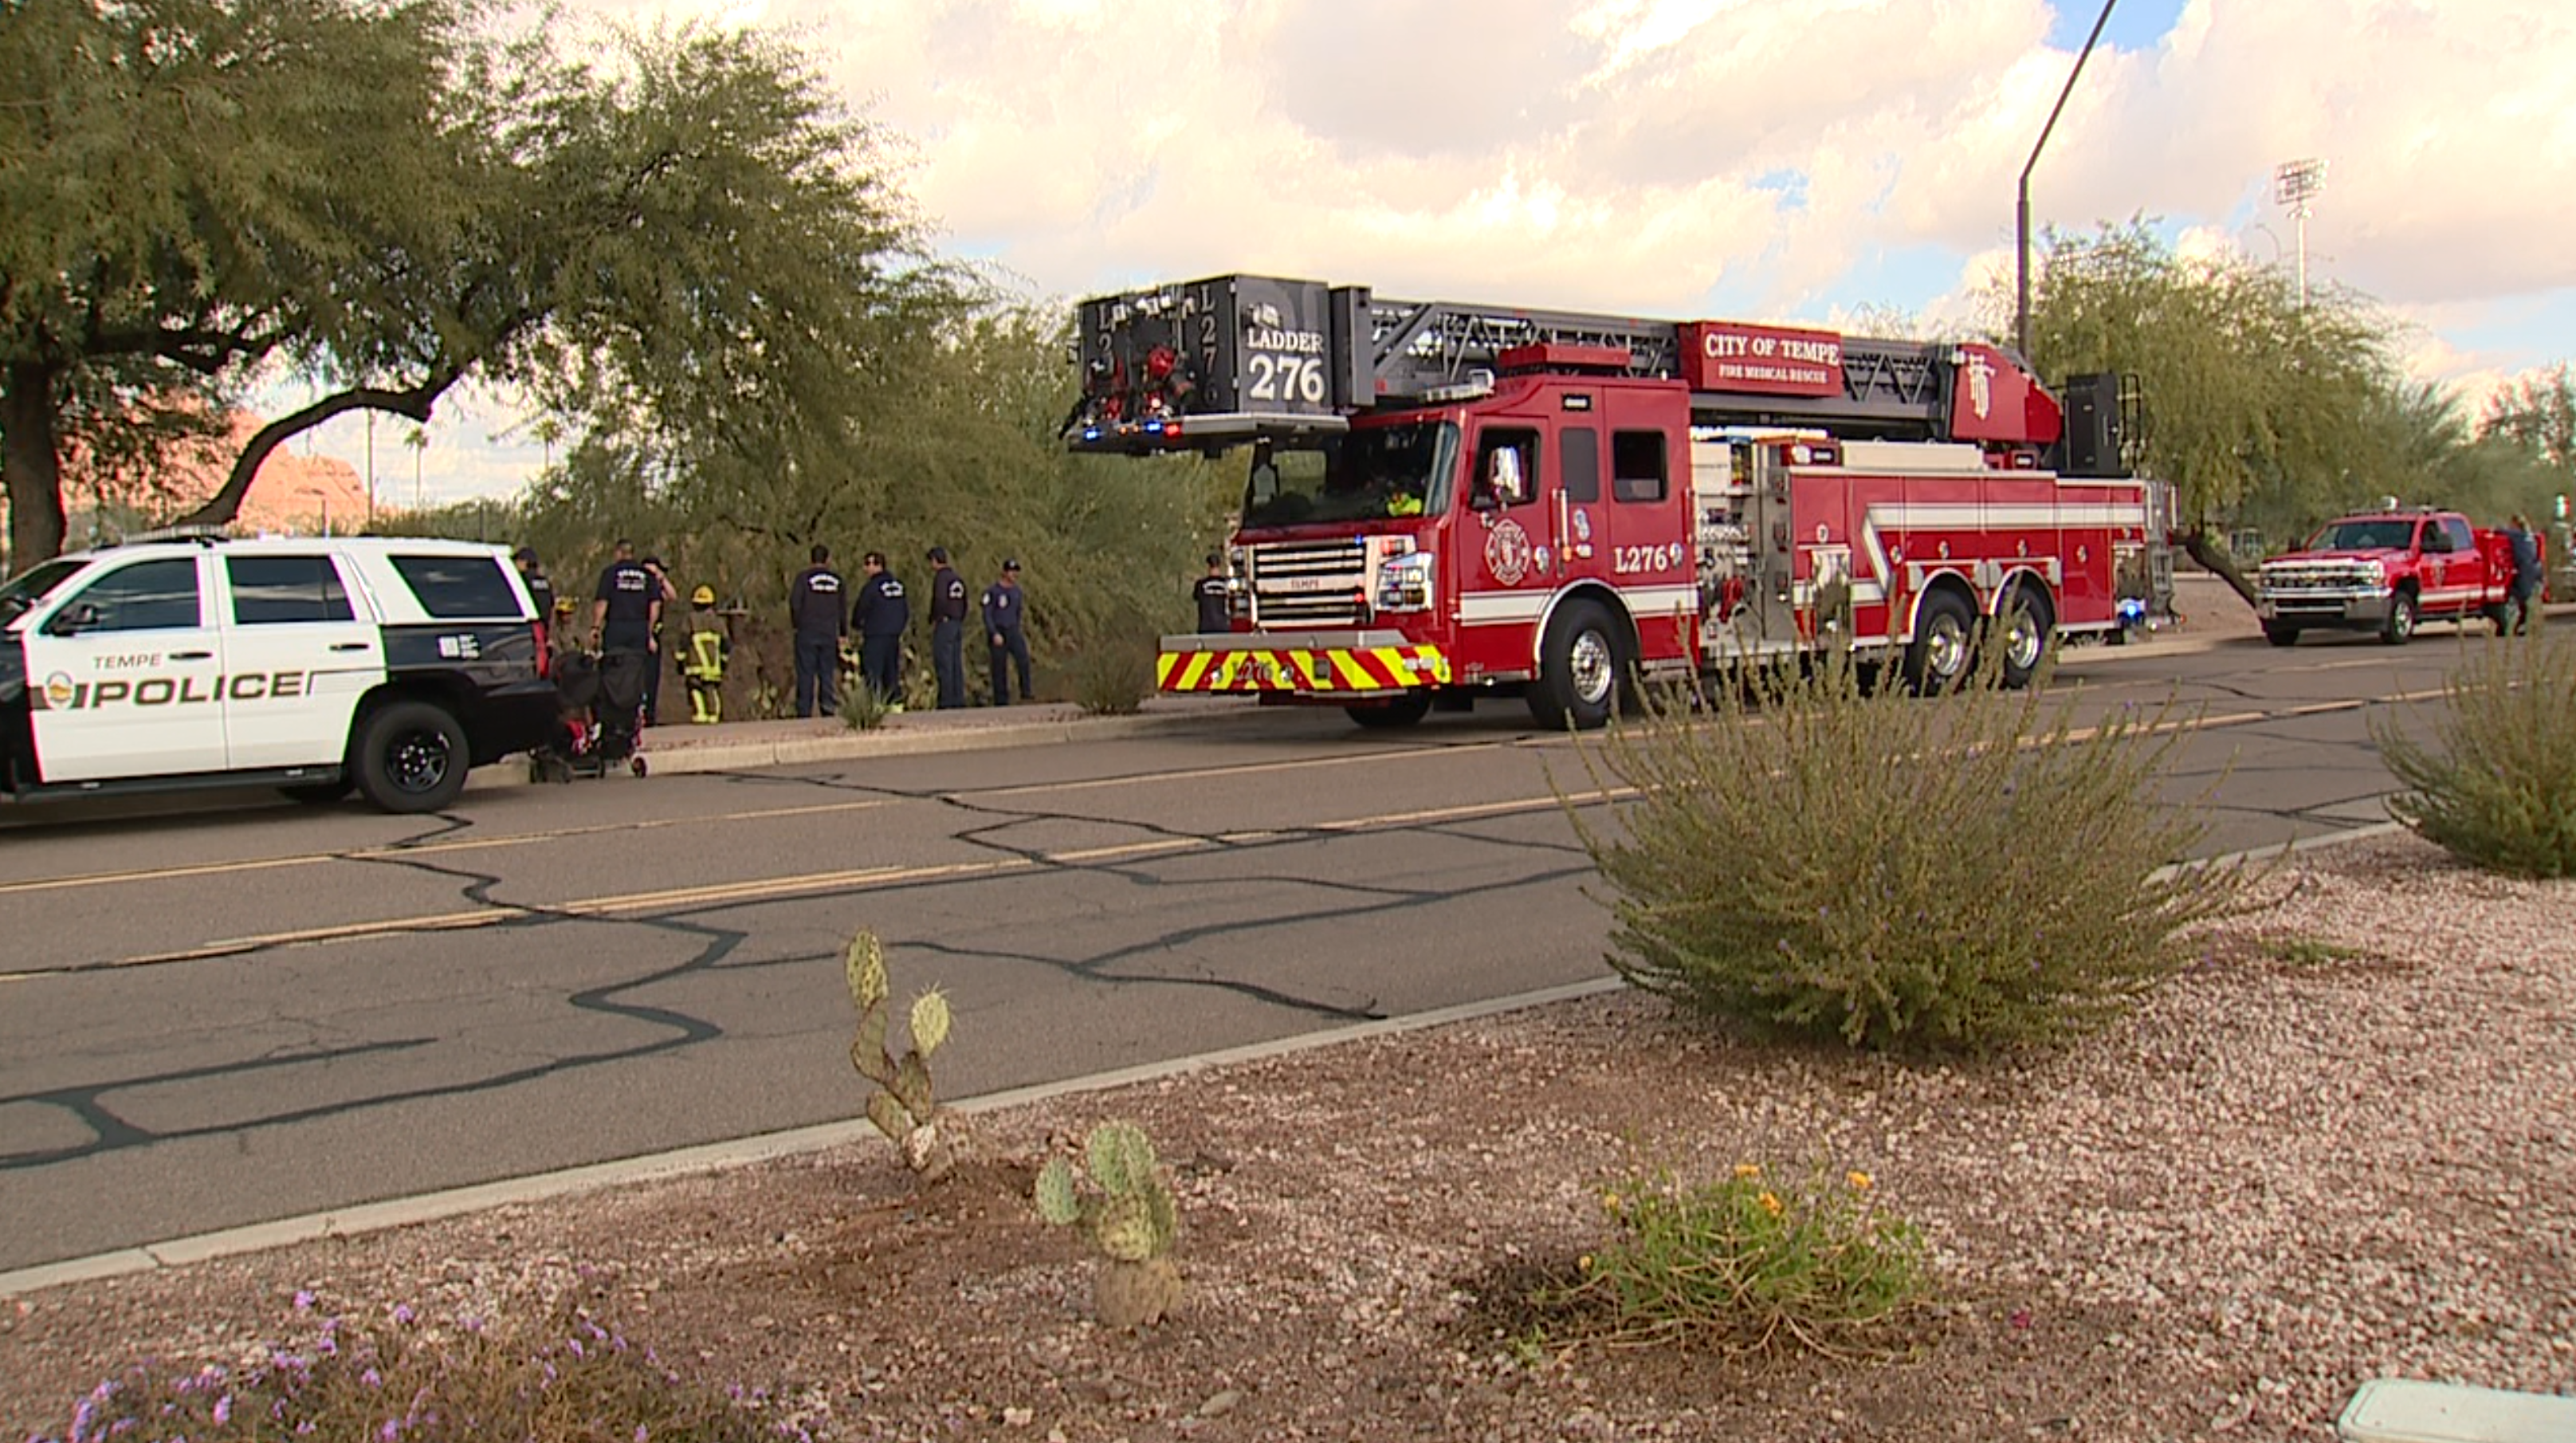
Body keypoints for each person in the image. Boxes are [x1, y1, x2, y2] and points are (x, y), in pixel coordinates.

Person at [788, 543, 846, 718]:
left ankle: (804, 711)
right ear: (827, 560)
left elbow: (795, 604)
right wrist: (843, 633)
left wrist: (797, 624)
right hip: (828, 633)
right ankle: (827, 707)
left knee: (806, 673)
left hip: (807, 632)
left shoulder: (803, 579)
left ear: (811, 559)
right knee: (826, 673)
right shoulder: (837, 581)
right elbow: (842, 608)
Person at [853, 550, 911, 709]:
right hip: (894, 636)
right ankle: (895, 705)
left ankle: (875, 706)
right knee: (891, 672)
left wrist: (856, 625)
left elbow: (861, 609)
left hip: (875, 635)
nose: (865, 569)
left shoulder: (871, 588)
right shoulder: (898, 586)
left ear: (875, 565)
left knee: (873, 673)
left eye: (867, 564)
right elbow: (905, 611)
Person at [591, 538, 659, 658]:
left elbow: (602, 602)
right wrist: (649, 631)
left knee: (613, 664)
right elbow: (655, 605)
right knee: (637, 666)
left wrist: (595, 627)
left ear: (618, 553)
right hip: (639, 627)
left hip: (616, 626)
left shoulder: (610, 573)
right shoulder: (648, 575)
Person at [983, 558, 1032, 705]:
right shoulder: (993, 592)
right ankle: (1001, 699)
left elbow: (1017, 612)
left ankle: (1026, 692)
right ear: (1004, 572)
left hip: (1012, 629)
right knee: (999, 667)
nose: (1014, 575)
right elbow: (987, 614)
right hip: (998, 630)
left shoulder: (1017, 592)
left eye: (1016, 572)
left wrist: (1016, 627)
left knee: (1023, 658)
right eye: (1011, 571)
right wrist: (994, 633)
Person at [639, 554, 680, 725]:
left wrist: (662, 579)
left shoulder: (657, 587)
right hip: (641, 637)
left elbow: (673, 596)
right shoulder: (641, 588)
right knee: (641, 678)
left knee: (653, 679)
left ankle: (650, 714)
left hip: (655, 636)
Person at [926, 545, 968, 710]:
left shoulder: (941, 578)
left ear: (935, 561)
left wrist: (934, 618)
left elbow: (939, 600)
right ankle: (958, 698)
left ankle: (946, 699)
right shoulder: (957, 578)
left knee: (944, 661)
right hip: (956, 622)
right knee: (955, 661)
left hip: (945, 623)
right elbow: (965, 602)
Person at [682, 584, 730, 724]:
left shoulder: (690, 619)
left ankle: (700, 715)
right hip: (712, 663)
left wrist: (680, 660)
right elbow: (726, 643)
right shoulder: (718, 621)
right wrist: (723, 661)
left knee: (695, 688)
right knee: (711, 689)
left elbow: (683, 640)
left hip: (694, 663)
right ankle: (714, 715)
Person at [2506, 513, 2544, 635]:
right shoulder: (2529, 536)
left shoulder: (2517, 535)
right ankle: (2526, 626)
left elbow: (2500, 531)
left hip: (2525, 569)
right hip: (2534, 568)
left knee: (2524, 598)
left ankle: (2528, 626)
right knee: (2528, 598)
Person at [513, 547, 555, 643]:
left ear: (525, 562)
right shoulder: (544, 581)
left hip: (530, 629)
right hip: (544, 627)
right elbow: (551, 605)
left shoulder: (522, 581)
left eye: (518, 560)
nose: (515, 564)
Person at [1193, 552, 1231, 633]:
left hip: (1206, 627)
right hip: (1223, 627)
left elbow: (1196, 597)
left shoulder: (1201, 584)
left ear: (1208, 567)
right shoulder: (1227, 584)